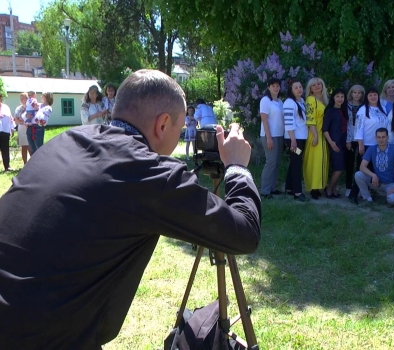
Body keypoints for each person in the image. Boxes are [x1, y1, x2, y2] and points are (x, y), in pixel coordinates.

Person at [0, 69, 261, 349]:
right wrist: (236, 167)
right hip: (41, 337)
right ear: (162, 125)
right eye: (181, 125)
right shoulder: (147, 172)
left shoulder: (65, 142)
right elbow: (243, 232)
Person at [353, 127, 394, 206]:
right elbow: (362, 167)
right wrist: (373, 175)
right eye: (379, 137)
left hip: (391, 183)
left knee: (392, 200)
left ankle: (390, 195)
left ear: (387, 137)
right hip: (377, 182)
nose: (381, 139)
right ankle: (367, 198)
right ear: (375, 138)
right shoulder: (372, 149)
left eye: (383, 137)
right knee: (358, 175)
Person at [303, 77, 329, 200]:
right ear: (310, 89)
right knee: (314, 161)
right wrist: (315, 135)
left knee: (321, 161)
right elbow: (310, 119)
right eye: (314, 85)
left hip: (323, 135)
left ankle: (319, 187)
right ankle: (313, 188)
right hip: (315, 134)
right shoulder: (310, 100)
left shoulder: (323, 100)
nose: (317, 86)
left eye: (319, 84)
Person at [259, 78, 285, 199]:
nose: (276, 88)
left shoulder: (280, 102)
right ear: (268, 87)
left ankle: (272, 188)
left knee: (277, 163)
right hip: (269, 136)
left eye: (278, 86)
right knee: (270, 162)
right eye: (273, 85)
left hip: (279, 135)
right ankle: (265, 191)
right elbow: (264, 120)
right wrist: (269, 138)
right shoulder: (265, 100)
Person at [284, 79, 309, 202]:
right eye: (296, 87)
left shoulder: (301, 101)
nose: (299, 89)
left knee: (295, 162)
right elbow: (289, 123)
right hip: (294, 139)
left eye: (300, 87)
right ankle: (298, 192)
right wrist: (293, 140)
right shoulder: (289, 103)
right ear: (291, 90)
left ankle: (289, 188)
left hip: (300, 138)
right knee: (296, 163)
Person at [322, 88, 348, 198]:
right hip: (335, 142)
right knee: (338, 168)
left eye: (342, 97)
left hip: (343, 142)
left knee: (340, 167)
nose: (340, 99)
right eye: (337, 96)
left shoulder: (343, 110)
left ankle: (334, 190)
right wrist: (331, 143)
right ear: (333, 98)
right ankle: (329, 189)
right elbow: (325, 129)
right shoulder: (330, 111)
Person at [345, 84, 365, 197]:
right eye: (354, 92)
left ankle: (358, 188)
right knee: (349, 163)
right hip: (350, 138)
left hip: (361, 138)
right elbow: (347, 124)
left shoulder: (364, 106)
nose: (357, 95)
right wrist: (347, 140)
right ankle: (348, 187)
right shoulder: (346, 106)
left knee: (360, 164)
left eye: (359, 92)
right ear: (351, 93)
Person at [13, 92, 31, 165]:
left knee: (30, 145)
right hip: (21, 128)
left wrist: (22, 120)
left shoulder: (30, 107)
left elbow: (30, 118)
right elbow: (16, 119)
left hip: (29, 127)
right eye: (21, 98)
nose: (22, 99)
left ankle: (32, 163)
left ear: (27, 98)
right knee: (23, 146)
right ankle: (25, 164)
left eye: (23, 98)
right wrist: (21, 121)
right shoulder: (18, 108)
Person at [0, 94, 14, 171]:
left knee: (5, 149)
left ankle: (7, 166)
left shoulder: (6, 107)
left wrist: (12, 128)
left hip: (5, 130)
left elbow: (10, 118)